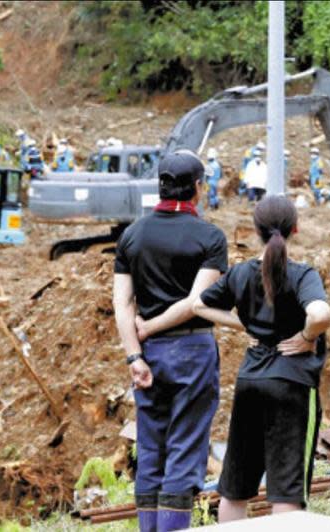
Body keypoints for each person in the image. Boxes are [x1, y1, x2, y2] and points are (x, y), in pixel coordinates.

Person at [193, 195, 330, 521]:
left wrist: (243, 324)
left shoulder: (240, 273)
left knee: (235, 487)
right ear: (296, 229)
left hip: (250, 381)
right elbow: (320, 313)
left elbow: (198, 305)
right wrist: (306, 337)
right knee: (285, 491)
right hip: (292, 386)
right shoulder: (301, 274)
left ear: (256, 230)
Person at [113, 150, 228, 532]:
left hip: (148, 357)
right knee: (184, 450)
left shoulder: (133, 235)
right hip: (192, 351)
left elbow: (121, 303)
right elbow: (197, 303)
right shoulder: (210, 237)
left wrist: (135, 353)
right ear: (197, 187)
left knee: (150, 449)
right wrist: (152, 328)